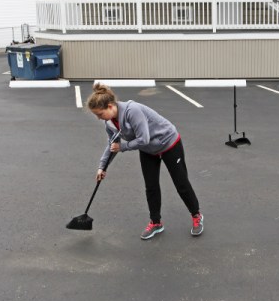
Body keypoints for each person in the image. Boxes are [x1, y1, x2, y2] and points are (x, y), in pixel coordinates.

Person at [87, 83, 203, 240]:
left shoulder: (131, 111)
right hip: (148, 149)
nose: (98, 118)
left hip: (168, 142)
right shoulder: (108, 122)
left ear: (109, 106)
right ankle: (156, 223)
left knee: (181, 183)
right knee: (151, 186)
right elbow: (113, 145)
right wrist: (102, 167)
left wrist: (123, 146)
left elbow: (143, 138)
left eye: (100, 114)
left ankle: (196, 215)